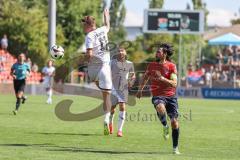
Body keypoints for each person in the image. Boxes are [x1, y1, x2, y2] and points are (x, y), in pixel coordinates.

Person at [136, 43, 180, 154]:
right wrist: (140, 90)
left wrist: (162, 78)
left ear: (164, 54)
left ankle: (175, 148)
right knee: (160, 108)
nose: (156, 53)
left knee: (174, 123)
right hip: (158, 95)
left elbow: (174, 84)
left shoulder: (171, 66)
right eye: (156, 52)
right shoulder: (152, 65)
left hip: (171, 97)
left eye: (159, 52)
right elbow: (145, 77)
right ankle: (165, 125)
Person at [81, 9, 112, 135]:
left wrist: (82, 60)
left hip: (93, 69)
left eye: (84, 24)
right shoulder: (103, 30)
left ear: (89, 25)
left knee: (99, 86)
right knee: (107, 96)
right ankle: (106, 119)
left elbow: (89, 54)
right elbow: (108, 25)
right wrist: (106, 16)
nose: (83, 26)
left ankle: (104, 88)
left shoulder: (89, 36)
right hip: (104, 67)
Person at [109, 48, 135, 137]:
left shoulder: (129, 63)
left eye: (122, 51)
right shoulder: (112, 62)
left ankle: (120, 130)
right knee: (112, 108)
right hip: (112, 88)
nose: (120, 52)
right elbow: (106, 72)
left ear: (125, 53)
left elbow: (133, 75)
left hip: (123, 89)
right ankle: (110, 122)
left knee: (122, 106)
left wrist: (131, 82)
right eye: (119, 51)